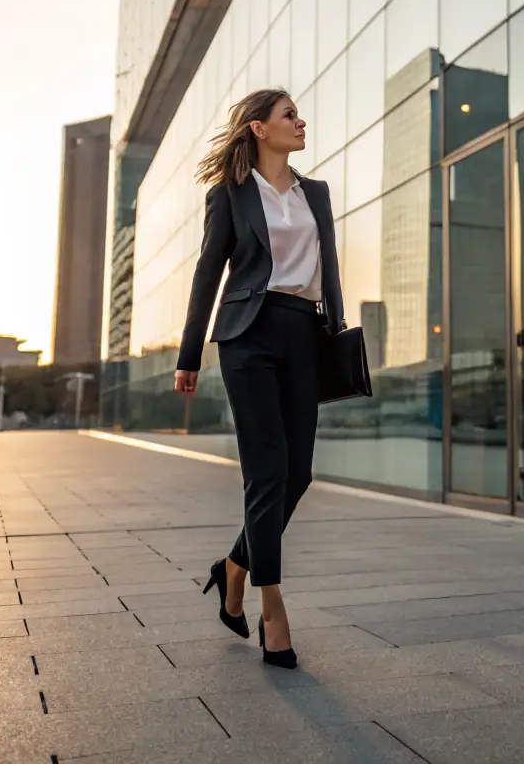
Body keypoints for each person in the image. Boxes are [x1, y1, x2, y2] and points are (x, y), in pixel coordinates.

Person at [173, 88, 342, 669]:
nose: (301, 121)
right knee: (266, 473)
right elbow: (207, 273)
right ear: (259, 129)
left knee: (298, 474)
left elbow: (329, 270)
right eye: (289, 115)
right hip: (247, 335)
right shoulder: (229, 194)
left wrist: (336, 331)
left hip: (304, 334)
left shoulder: (315, 193)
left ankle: (233, 568)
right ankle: (273, 609)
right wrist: (189, 354)